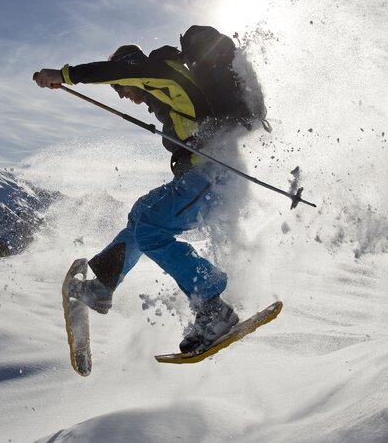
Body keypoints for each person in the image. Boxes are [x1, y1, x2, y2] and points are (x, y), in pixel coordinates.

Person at [33, 43, 242, 353]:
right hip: (198, 179)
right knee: (141, 212)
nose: (119, 94)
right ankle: (102, 287)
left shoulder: (159, 72)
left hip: (214, 178)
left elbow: (121, 71)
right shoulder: (164, 91)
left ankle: (214, 308)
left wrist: (65, 75)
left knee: (151, 231)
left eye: (119, 86)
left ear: (130, 67)